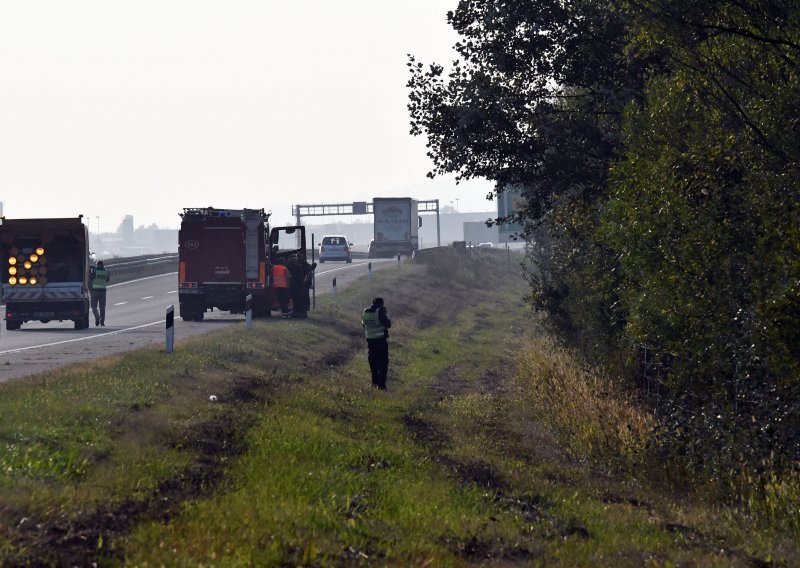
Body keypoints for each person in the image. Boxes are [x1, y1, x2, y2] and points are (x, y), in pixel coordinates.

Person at [361, 297, 392, 390]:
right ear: (381, 304)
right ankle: (381, 385)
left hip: (370, 341)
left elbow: (363, 325)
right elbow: (388, 324)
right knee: (383, 363)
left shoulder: (365, 312)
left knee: (373, 363)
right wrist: (385, 313)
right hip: (380, 341)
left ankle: (374, 383)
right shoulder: (380, 312)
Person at [90, 260, 110, 326]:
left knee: (93, 306)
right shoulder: (106, 271)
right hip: (103, 291)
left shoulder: (95, 271)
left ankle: (97, 317)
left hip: (95, 291)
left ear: (97, 265)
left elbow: (91, 278)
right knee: (102, 307)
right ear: (102, 265)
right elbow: (107, 280)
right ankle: (102, 321)